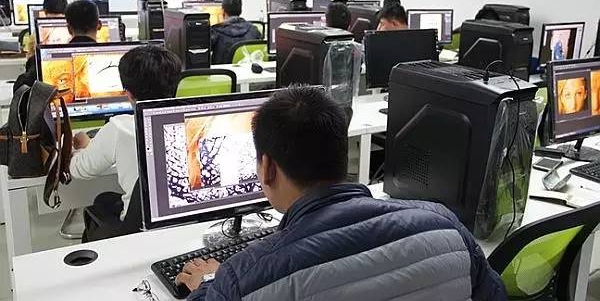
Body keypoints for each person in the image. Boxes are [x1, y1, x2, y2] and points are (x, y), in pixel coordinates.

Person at [179, 87, 506, 301]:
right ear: (341, 152)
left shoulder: (242, 279)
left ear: (267, 168)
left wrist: (208, 282)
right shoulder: (444, 224)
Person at [70, 45, 182, 240]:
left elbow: (80, 170)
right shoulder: (195, 124)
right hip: (184, 228)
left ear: (128, 93)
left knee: (102, 203)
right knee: (105, 199)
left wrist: (83, 147)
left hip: (140, 234)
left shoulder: (121, 127)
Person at [13, 0, 69, 92]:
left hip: (42, 85)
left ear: (44, 10)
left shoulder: (37, 33)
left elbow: (30, 60)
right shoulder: (71, 29)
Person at [210, 0, 261, 64]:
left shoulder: (216, 31)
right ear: (241, 10)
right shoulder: (254, 30)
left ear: (223, 11)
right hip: (247, 69)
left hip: (223, 70)